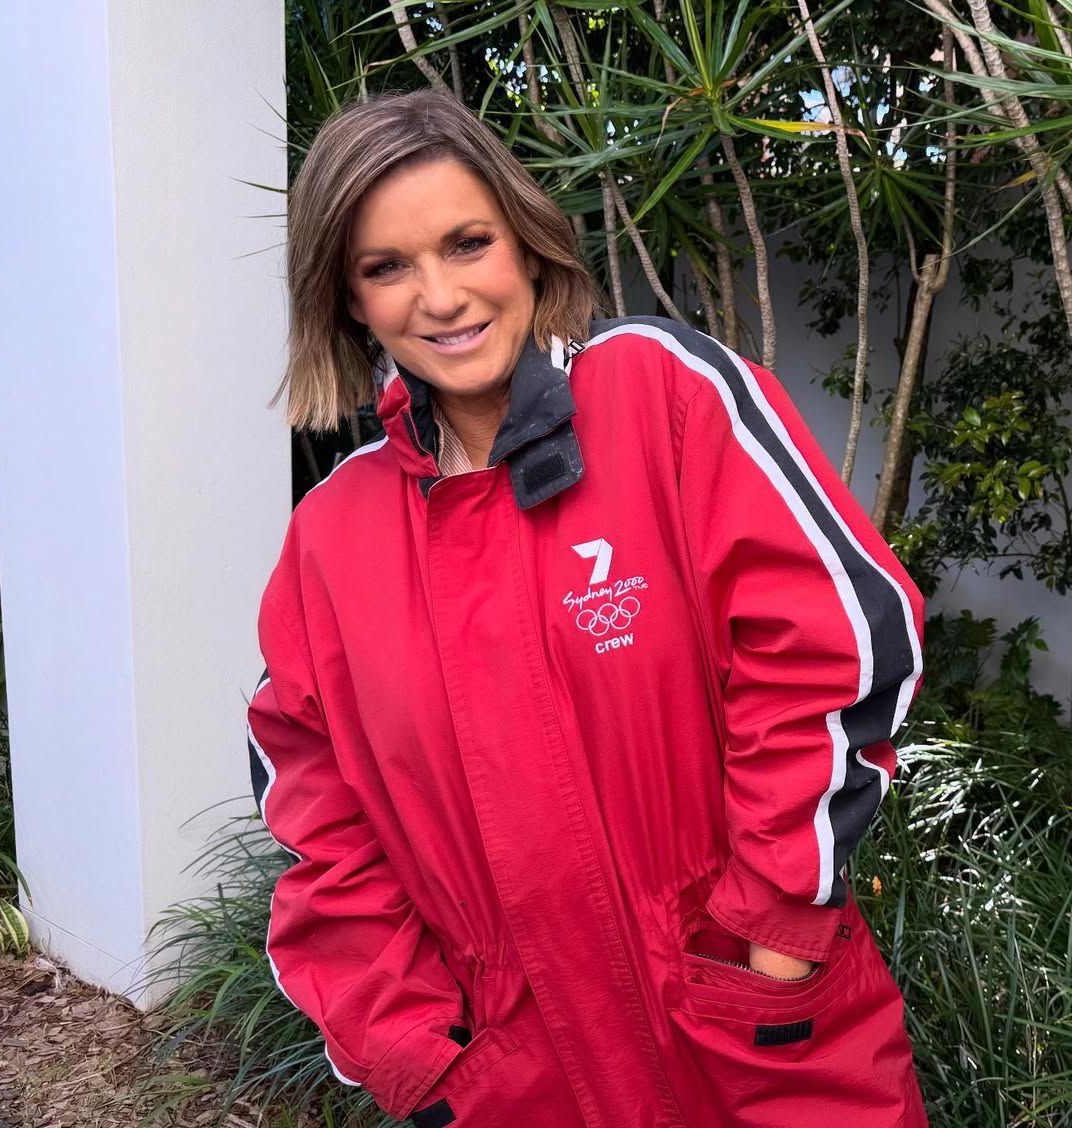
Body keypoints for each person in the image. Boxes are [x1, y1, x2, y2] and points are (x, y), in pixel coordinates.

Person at [247, 87, 928, 1128]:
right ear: (348, 299)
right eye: (387, 267)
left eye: (467, 243)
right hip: (520, 1081)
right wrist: (415, 1055)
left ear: (525, 243)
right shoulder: (332, 540)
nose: (440, 296)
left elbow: (833, 640)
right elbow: (317, 821)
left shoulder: (664, 395)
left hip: (759, 1033)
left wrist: (776, 931)